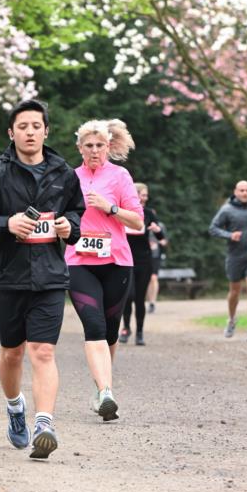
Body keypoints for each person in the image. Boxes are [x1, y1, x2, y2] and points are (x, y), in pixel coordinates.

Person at [0, 98, 85, 460]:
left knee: (43, 351)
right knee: (12, 352)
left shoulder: (64, 173)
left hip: (50, 277)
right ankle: (16, 408)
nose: (30, 132)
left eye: (36, 126)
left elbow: (76, 213)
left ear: (46, 131)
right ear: (11, 133)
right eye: (23, 127)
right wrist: (6, 224)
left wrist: (69, 226)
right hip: (6, 278)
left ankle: (43, 424)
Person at [65, 119, 144, 420]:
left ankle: (101, 387)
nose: (95, 150)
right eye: (89, 146)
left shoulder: (120, 176)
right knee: (94, 326)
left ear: (108, 147)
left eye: (100, 145)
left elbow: (138, 222)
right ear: (80, 148)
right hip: (79, 262)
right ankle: (106, 392)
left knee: (110, 332)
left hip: (116, 262)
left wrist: (109, 207)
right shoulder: (69, 178)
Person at [209, 180, 247, 340]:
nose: (245, 193)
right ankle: (232, 320)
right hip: (235, 257)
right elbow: (213, 228)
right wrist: (229, 235)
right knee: (235, 291)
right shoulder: (227, 209)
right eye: (242, 190)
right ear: (235, 192)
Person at [119, 183, 163, 345]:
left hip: (144, 261)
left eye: (145, 195)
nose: (144, 198)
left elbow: (161, 238)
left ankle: (139, 332)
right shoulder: (123, 212)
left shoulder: (149, 213)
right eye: (141, 194)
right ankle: (125, 328)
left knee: (139, 298)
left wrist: (157, 230)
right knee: (127, 296)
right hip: (125, 260)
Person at [147, 219, 168, 313]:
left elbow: (164, 241)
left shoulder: (160, 226)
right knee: (147, 279)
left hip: (156, 256)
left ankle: (152, 302)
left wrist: (157, 243)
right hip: (144, 256)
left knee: (154, 278)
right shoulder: (142, 225)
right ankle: (149, 301)